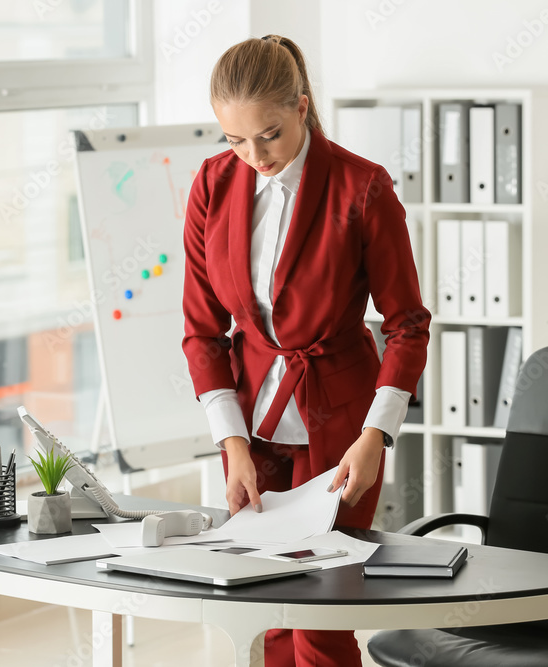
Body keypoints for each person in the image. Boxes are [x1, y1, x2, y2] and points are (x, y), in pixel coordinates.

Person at [181, 34, 430, 667]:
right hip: (252, 423)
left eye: (268, 134)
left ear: (301, 105)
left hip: (344, 426)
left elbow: (406, 324)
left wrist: (378, 436)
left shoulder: (362, 187)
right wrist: (231, 443)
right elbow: (202, 331)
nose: (253, 155)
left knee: (318, 621)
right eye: (234, 140)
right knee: (263, 614)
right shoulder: (212, 184)